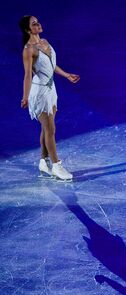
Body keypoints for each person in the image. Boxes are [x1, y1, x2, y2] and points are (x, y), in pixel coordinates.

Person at [19, 15, 80, 181]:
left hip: (51, 89)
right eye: (34, 23)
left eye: (38, 21)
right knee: (50, 130)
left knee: (46, 128)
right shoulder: (29, 50)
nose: (38, 24)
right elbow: (27, 76)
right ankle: (56, 166)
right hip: (39, 93)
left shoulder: (45, 42)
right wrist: (25, 97)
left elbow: (51, 66)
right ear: (27, 29)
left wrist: (67, 75)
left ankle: (43, 162)